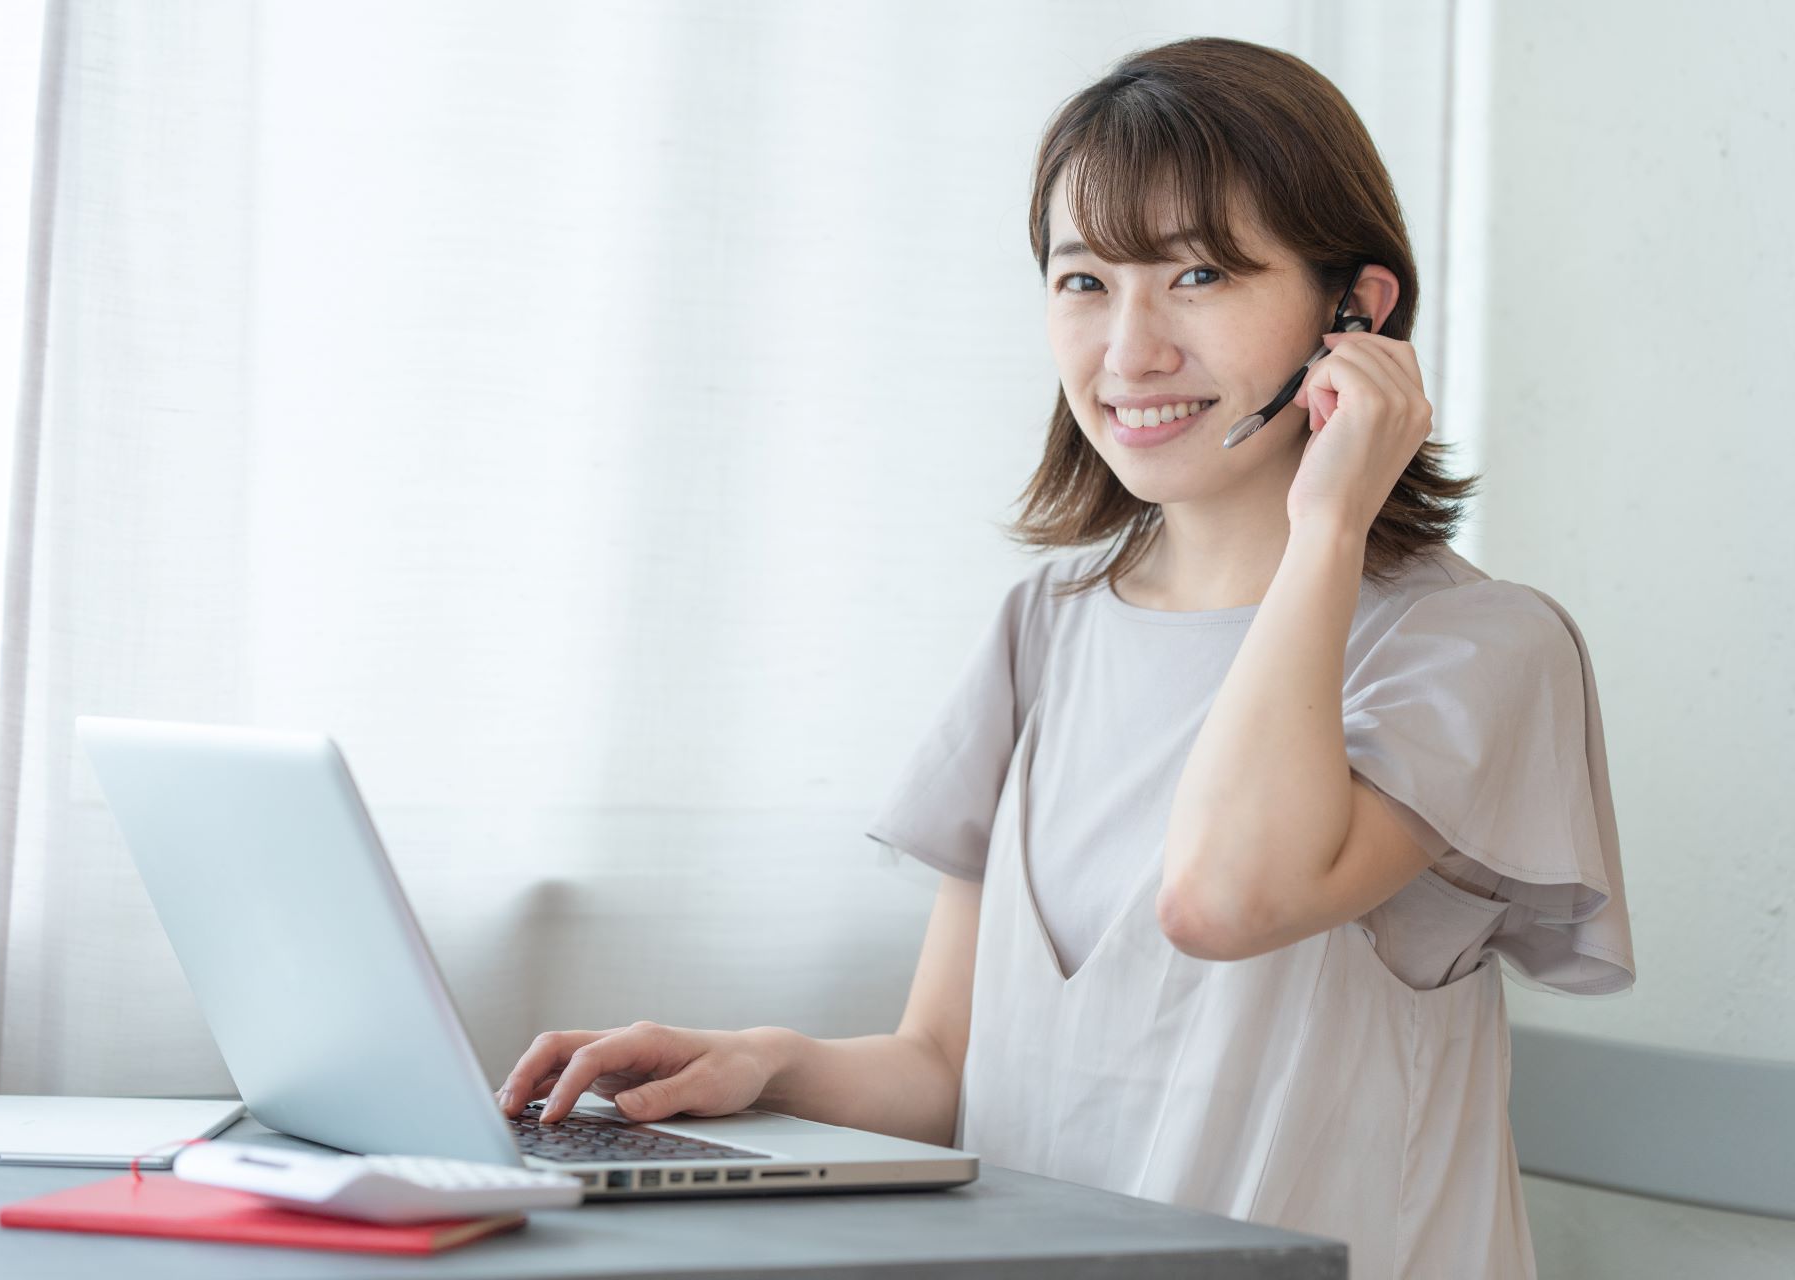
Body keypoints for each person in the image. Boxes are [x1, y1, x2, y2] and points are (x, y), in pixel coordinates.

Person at [494, 36, 1634, 1279]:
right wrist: (766, 1059)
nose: (1127, 350)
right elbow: (944, 1065)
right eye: (1084, 281)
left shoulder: (1480, 647)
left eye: (1197, 274)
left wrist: (1328, 524)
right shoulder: (1048, 623)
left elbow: (1227, 896)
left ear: (1354, 312)